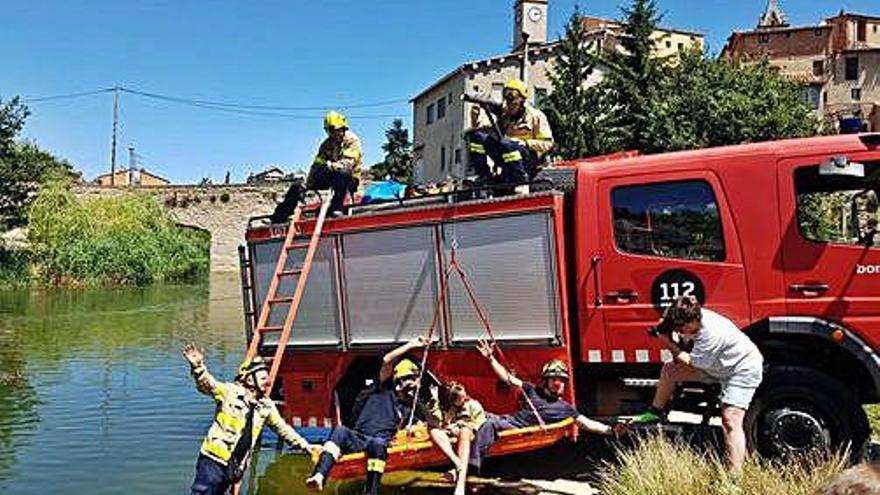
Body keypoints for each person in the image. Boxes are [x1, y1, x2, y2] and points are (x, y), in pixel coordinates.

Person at [629, 296, 764, 476]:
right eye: (677, 327)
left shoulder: (711, 333)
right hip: (718, 365)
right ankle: (655, 412)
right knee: (670, 370)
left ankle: (735, 478)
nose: (681, 331)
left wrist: (668, 341)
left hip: (741, 369)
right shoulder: (682, 320)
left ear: (696, 319)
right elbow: (677, 354)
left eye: (683, 328)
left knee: (730, 420)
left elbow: (691, 363)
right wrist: (666, 330)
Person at [306, 337, 441, 495]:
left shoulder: (413, 403)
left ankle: (371, 492)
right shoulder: (383, 387)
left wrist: (433, 402)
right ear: (399, 379)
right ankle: (319, 476)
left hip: (379, 443)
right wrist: (412, 345)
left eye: (414, 379)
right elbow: (387, 360)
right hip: (358, 437)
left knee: (378, 444)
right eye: (409, 379)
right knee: (340, 430)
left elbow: (435, 423)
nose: (412, 383)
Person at [183, 344, 317, 495]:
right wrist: (198, 367)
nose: (268, 382)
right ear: (250, 380)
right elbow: (208, 385)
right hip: (213, 460)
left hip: (234, 467)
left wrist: (307, 447)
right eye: (263, 378)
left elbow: (283, 429)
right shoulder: (230, 392)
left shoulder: (266, 406)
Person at [472, 340, 624, 473]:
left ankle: (470, 466)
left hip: (516, 429)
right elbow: (507, 378)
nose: (558, 383)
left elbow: (587, 423)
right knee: (475, 412)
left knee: (489, 424)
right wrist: (490, 358)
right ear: (546, 381)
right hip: (505, 419)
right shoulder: (532, 390)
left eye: (562, 380)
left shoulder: (565, 408)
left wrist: (611, 430)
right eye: (554, 379)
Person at [270, 111, 363, 222]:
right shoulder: (326, 144)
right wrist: (308, 183)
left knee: (342, 173)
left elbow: (347, 164)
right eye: (329, 130)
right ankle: (281, 215)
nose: (332, 133)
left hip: (349, 179)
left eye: (334, 130)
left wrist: (330, 166)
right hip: (332, 175)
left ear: (342, 128)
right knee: (297, 186)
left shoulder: (352, 141)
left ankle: (337, 209)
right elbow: (317, 165)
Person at [465, 78, 553, 188]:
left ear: (522, 100)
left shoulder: (536, 116)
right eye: (507, 101)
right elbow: (480, 128)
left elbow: (548, 144)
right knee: (477, 137)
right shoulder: (505, 115)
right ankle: (484, 176)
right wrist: (475, 112)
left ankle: (520, 179)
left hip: (527, 160)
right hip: (507, 156)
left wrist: (525, 143)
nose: (510, 105)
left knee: (507, 144)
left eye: (513, 102)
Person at [429, 381, 486, 495]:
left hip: (468, 434)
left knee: (464, 431)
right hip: (450, 436)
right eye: (460, 398)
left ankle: (460, 485)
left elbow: (477, 424)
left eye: (464, 395)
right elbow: (435, 422)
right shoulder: (446, 408)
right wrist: (434, 400)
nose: (465, 398)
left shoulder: (473, 405)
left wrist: (458, 426)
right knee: (434, 431)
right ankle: (457, 462)